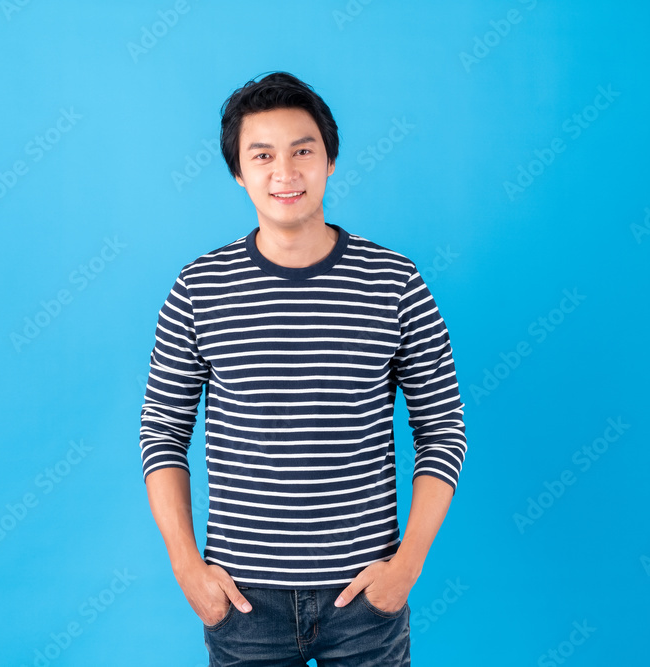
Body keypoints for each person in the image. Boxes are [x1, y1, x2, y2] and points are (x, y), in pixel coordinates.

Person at [139, 71, 467, 666]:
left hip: (366, 598)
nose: (284, 172)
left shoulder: (395, 283)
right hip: (242, 602)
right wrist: (187, 567)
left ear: (330, 161)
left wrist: (407, 566)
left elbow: (443, 429)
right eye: (261, 155)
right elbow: (161, 432)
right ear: (239, 172)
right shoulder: (199, 288)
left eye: (302, 151)